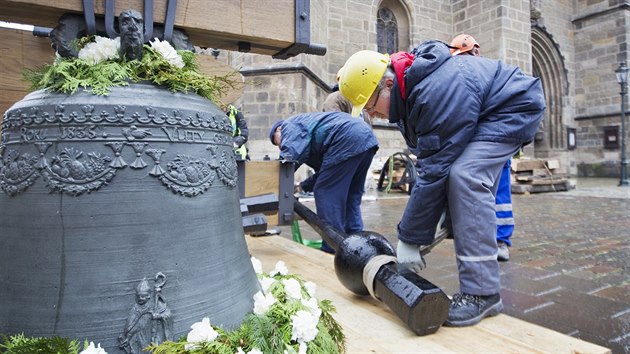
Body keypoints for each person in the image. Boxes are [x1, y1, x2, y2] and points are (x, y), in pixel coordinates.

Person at [338, 41, 545, 326]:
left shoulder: (433, 92)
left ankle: (482, 294)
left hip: (513, 107)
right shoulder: (408, 97)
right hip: (486, 110)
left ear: (388, 82)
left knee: (466, 177)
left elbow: (435, 169)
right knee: (457, 180)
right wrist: (443, 211)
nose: (372, 115)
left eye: (371, 105)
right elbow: (431, 159)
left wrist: (410, 238)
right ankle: (479, 277)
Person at [269, 112, 379, 254]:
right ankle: (357, 245)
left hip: (346, 138)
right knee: (351, 195)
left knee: (325, 192)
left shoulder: (288, 126)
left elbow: (289, 156)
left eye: (276, 141)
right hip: (365, 138)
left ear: (278, 130)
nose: (279, 146)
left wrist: (273, 182)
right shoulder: (308, 133)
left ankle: (333, 248)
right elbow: (326, 172)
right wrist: (301, 186)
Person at [450, 33, 513, 262]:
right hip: (494, 142)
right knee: (493, 194)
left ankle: (499, 241)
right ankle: (493, 241)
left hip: (492, 142)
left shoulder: (476, 74)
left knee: (497, 194)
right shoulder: (489, 71)